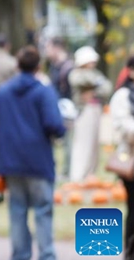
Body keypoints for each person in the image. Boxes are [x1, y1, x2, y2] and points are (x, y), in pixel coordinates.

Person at [0, 46, 66, 260]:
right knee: (42, 210)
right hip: (38, 161)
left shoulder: (2, 93)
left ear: (17, 66)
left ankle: (20, 255)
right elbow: (54, 124)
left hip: (11, 162)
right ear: (38, 66)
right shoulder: (43, 91)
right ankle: (46, 255)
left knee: (17, 211)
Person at [68, 45, 112, 183]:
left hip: (96, 109)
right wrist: (95, 84)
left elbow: (107, 87)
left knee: (94, 144)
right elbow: (80, 81)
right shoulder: (76, 73)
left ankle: (90, 174)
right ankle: (78, 175)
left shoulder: (96, 74)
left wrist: (93, 91)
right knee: (83, 143)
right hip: (84, 110)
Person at [108, 54, 134, 255]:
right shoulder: (122, 96)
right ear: (132, 70)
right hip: (133, 165)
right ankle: (131, 252)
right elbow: (123, 127)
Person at [44, 37, 76, 180]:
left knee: (68, 140)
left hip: (66, 108)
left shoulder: (68, 67)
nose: (46, 51)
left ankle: (67, 171)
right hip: (55, 107)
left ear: (57, 48)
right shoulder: (53, 66)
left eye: (48, 48)